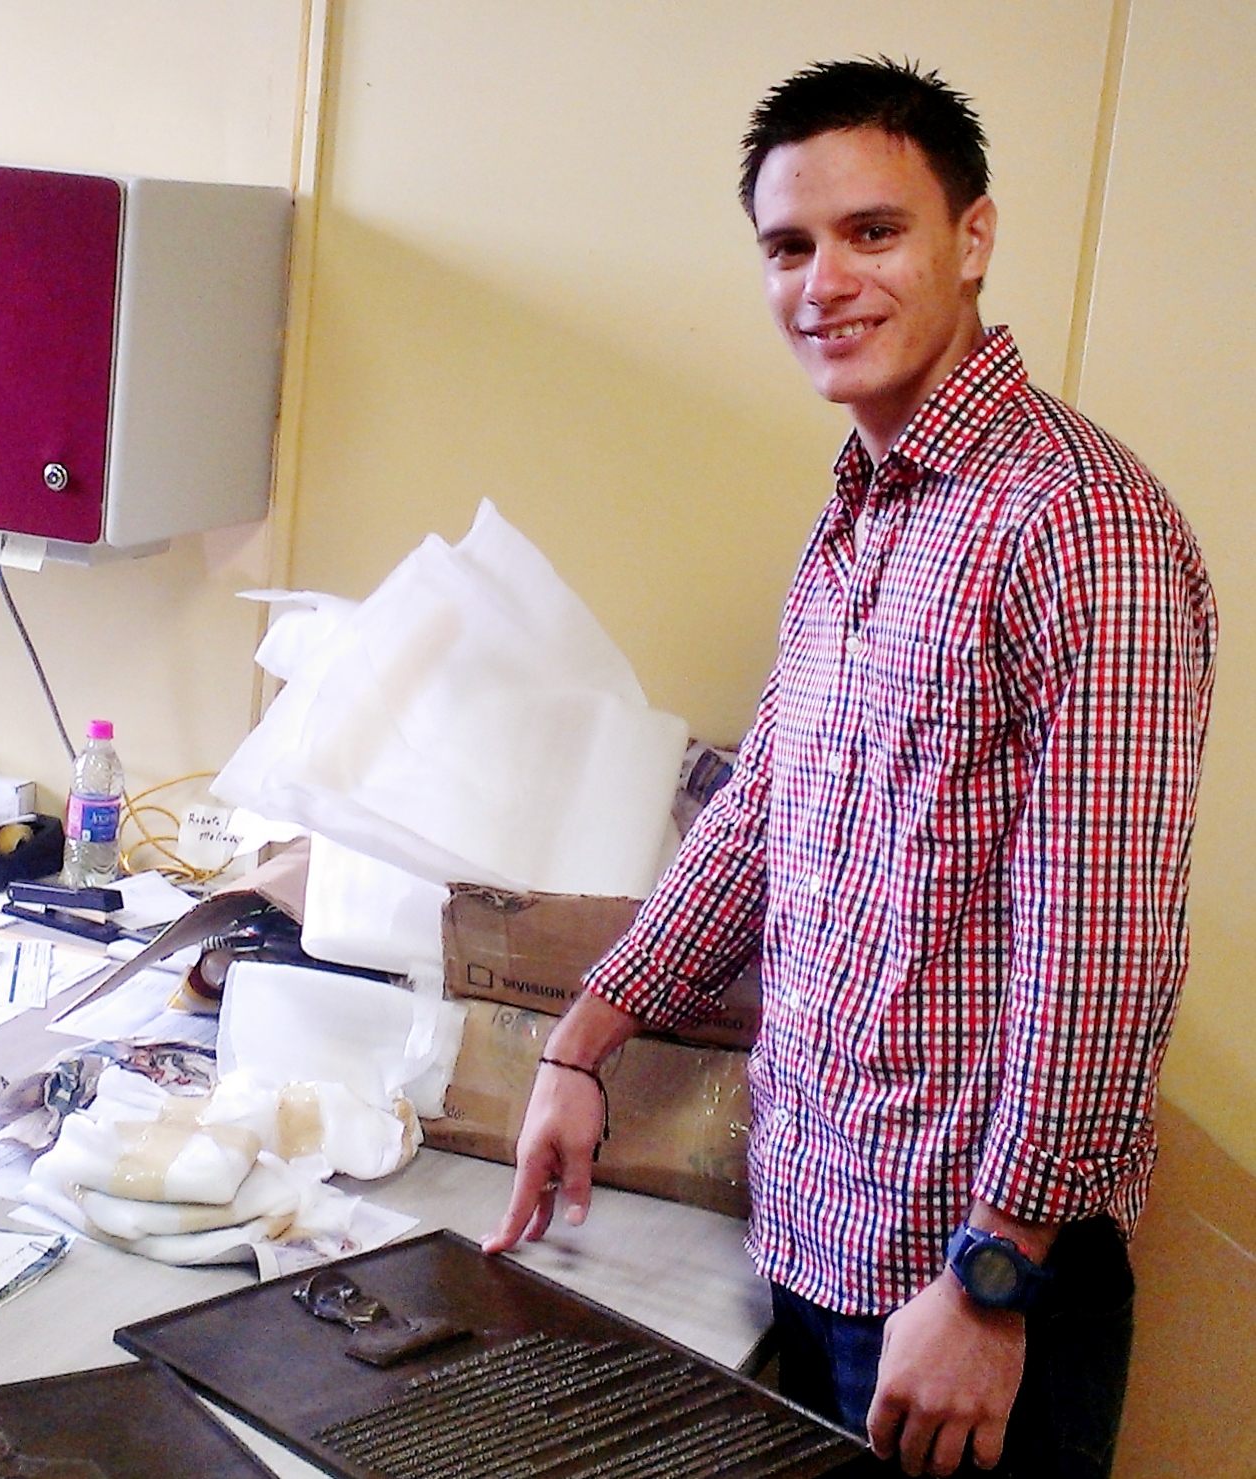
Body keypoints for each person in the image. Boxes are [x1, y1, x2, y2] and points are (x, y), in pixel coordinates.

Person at [484, 59, 1214, 1479]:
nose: (824, 282)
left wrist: (992, 1279)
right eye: (788, 246)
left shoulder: (1079, 525)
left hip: (971, 1283)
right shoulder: (860, 515)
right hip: (818, 1230)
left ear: (972, 239)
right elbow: (762, 813)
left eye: (873, 232)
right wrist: (582, 1040)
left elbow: (1104, 944)